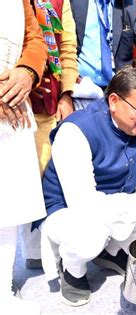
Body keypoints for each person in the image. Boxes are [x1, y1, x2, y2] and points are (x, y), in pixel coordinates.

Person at [31, 66, 136, 307]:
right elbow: (85, 206)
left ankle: (109, 251)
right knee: (91, 234)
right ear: (114, 101)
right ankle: (73, 270)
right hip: (69, 212)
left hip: (114, 201)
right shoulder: (75, 131)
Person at [21, 0, 79, 270]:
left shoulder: (58, 1)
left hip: (49, 105)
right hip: (10, 104)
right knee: (14, 184)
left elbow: (67, 47)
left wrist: (66, 93)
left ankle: (45, 252)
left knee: (49, 179)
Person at [0, 0, 48, 312]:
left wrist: (27, 72)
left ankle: (2, 292)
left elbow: (35, 39)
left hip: (14, 110)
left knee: (9, 209)